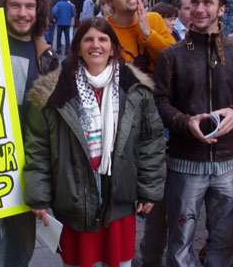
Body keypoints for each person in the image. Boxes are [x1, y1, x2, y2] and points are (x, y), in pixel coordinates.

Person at [24, 17, 167, 267]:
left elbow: (151, 141)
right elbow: (38, 148)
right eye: (88, 39)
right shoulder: (54, 91)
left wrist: (149, 190)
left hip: (119, 197)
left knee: (119, 262)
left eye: (103, 39)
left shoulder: (134, 88)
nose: (96, 45)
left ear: (113, 46)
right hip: (74, 197)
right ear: (78, 46)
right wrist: (39, 196)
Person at [154, 0, 233, 267]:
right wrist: (184, 121)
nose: (199, 9)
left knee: (224, 240)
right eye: (194, 3)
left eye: (208, 2)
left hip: (227, 164)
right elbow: (160, 102)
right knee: (180, 240)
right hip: (184, 163)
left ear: (222, 9)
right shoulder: (171, 56)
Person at [0, 0, 58, 267]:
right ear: (3, 7)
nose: (23, 13)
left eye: (29, 6)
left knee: (21, 248)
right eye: (15, 6)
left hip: (27, 168)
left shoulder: (47, 58)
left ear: (38, 11)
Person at [101, 0, 175, 73]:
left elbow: (173, 58)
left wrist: (148, 34)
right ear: (109, 1)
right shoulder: (103, 29)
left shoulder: (154, 19)